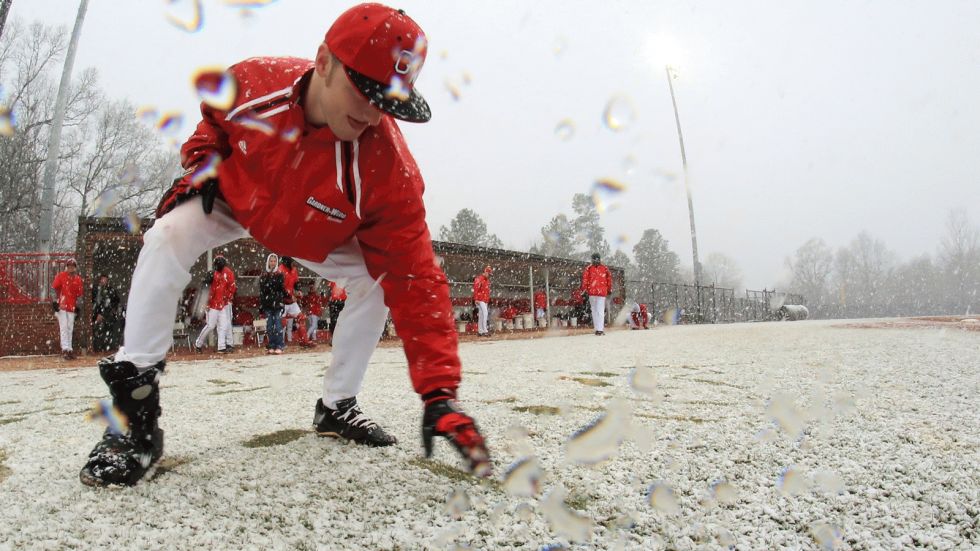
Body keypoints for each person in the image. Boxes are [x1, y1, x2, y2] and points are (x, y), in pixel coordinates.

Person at [79, 3, 490, 487]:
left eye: (389, 100)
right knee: (167, 234)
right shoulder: (253, 82)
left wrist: (439, 391)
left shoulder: (388, 168)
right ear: (324, 61)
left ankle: (338, 406)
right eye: (366, 91)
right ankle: (134, 416)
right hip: (239, 198)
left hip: (319, 230)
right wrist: (203, 161)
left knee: (379, 284)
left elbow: (415, 275)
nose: (374, 112)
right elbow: (213, 123)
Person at [194, 256, 233, 353]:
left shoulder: (225, 274)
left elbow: (228, 288)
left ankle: (221, 347)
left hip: (222, 305)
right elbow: (206, 290)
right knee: (210, 326)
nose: (220, 266)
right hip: (212, 305)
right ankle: (198, 344)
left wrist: (227, 298)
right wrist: (206, 303)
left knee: (223, 325)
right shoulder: (211, 274)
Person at [52, 259, 84, 360]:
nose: (71, 268)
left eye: (73, 266)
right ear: (67, 267)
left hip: (72, 306)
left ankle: (70, 349)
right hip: (62, 304)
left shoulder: (77, 279)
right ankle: (65, 349)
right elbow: (54, 289)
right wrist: (54, 302)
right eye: (69, 266)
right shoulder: (61, 276)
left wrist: (78, 306)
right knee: (64, 327)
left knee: (70, 328)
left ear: (75, 267)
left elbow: (79, 294)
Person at [259, 253, 286, 354]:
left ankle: (279, 345)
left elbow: (281, 289)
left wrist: (283, 300)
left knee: (278, 326)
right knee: (269, 326)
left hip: (277, 304)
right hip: (267, 305)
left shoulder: (280, 274)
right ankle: (271, 344)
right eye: (271, 261)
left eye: (274, 261)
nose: (273, 263)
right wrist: (261, 305)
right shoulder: (264, 274)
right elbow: (262, 291)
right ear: (268, 262)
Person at [581, 253, 613, 336]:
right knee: (599, 310)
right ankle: (600, 329)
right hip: (601, 292)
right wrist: (609, 289)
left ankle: (597, 329)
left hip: (592, 292)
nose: (595, 260)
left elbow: (585, 280)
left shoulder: (588, 268)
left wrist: (584, 290)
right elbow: (609, 279)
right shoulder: (604, 268)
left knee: (595, 311)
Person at [91, 274, 121, 353]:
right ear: (100, 280)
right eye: (102, 280)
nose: (104, 281)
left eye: (105, 280)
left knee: (108, 331)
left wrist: (109, 311)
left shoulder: (111, 290)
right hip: (96, 314)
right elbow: (95, 303)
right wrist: (97, 314)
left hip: (107, 315)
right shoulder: (95, 290)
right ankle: (98, 349)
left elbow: (115, 301)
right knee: (97, 331)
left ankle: (106, 348)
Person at [277, 256, 301, 345]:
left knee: (301, 318)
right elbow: (281, 288)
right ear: (287, 262)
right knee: (282, 323)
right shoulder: (280, 270)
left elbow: (296, 283)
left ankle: (304, 341)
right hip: (282, 301)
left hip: (291, 301)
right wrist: (290, 296)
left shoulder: (294, 270)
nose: (293, 263)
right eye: (292, 261)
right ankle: (280, 343)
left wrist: (298, 290)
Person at [218, 255, 236, 351]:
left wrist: (226, 297)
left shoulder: (228, 272)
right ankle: (222, 344)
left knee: (227, 322)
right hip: (217, 303)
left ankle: (229, 343)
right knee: (220, 323)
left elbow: (232, 287)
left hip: (226, 302)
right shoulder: (216, 272)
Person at [472, 266, 491, 336]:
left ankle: (480, 331)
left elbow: (487, 291)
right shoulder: (479, 279)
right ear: (485, 272)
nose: (489, 275)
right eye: (488, 273)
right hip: (480, 299)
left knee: (481, 315)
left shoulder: (486, 280)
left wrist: (487, 299)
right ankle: (485, 330)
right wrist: (476, 299)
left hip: (484, 299)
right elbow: (476, 289)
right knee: (485, 313)